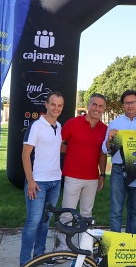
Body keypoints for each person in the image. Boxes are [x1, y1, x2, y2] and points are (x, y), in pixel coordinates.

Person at [55, 93, 108, 250]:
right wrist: (71, 150)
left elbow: (102, 154)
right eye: (94, 104)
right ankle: (62, 248)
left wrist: (102, 174)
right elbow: (57, 144)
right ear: (88, 105)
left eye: (100, 106)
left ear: (104, 109)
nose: (97, 108)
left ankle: (85, 249)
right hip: (73, 176)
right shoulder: (73, 123)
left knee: (86, 215)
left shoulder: (105, 129)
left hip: (92, 178)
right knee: (67, 214)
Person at [19, 92, 64, 266]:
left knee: (45, 222)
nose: (56, 108)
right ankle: (25, 262)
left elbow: (56, 148)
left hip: (55, 181)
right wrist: (30, 180)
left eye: (60, 105)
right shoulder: (36, 126)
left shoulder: (58, 126)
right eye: (53, 104)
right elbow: (25, 154)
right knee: (33, 222)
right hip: (38, 183)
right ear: (46, 105)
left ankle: (40, 256)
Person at [102, 90, 136, 234]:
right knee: (116, 210)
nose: (130, 106)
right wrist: (109, 140)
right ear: (122, 105)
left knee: (134, 210)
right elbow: (106, 150)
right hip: (118, 170)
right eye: (127, 103)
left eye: (133, 102)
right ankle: (115, 244)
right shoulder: (114, 123)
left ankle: (131, 243)